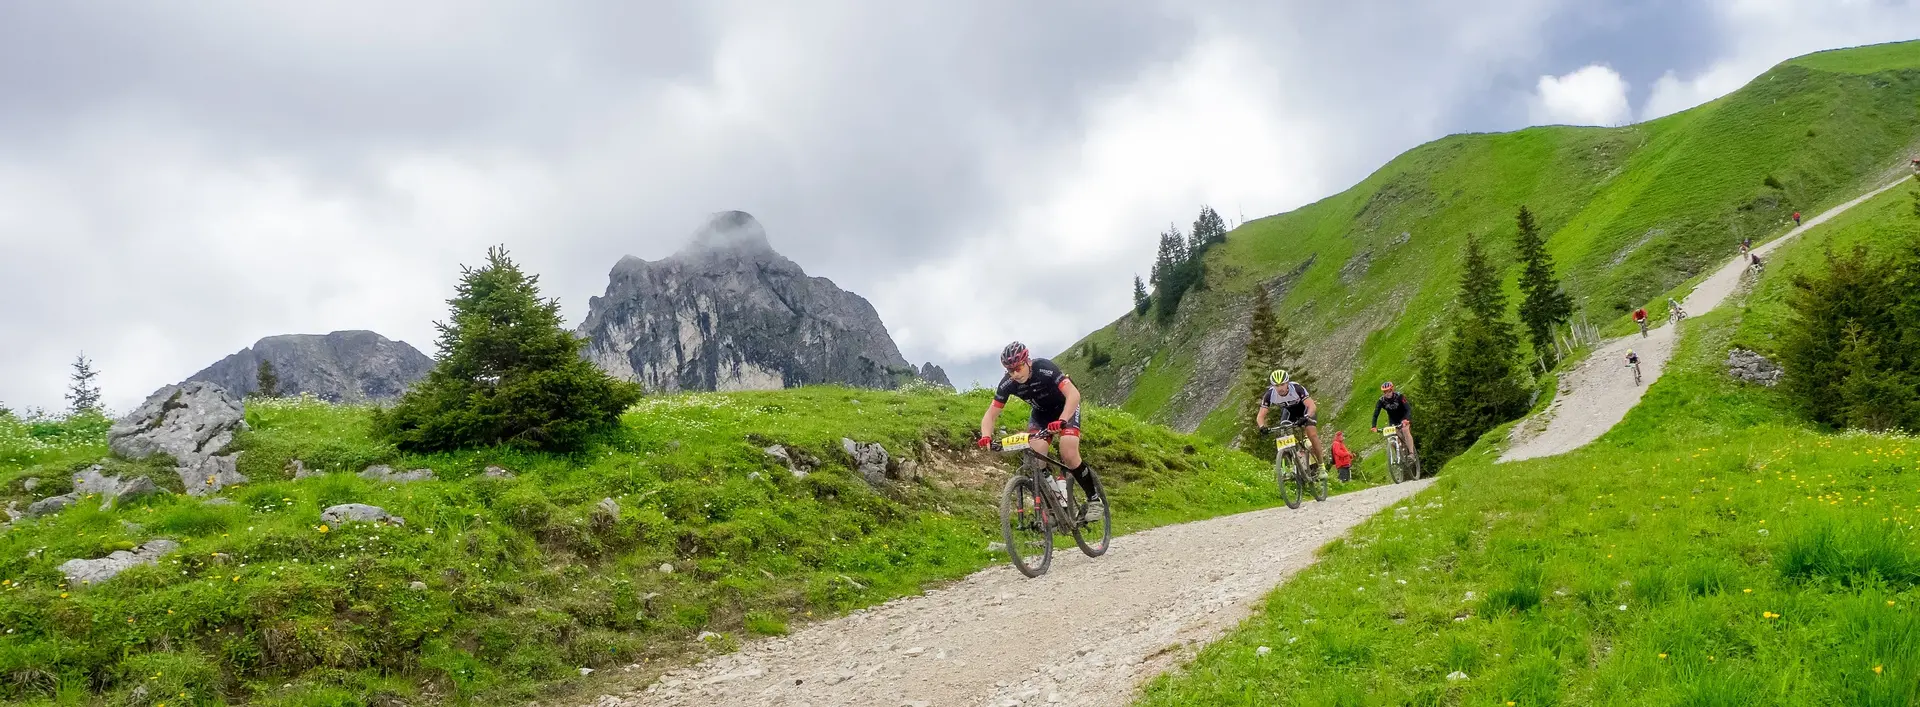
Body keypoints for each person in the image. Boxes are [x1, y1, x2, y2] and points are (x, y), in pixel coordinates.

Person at [978, 341, 1101, 521]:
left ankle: (1094, 500)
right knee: (1037, 457)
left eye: (1018, 367)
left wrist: (1063, 420)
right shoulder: (1008, 383)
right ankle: (1055, 506)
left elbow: (1073, 394)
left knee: (1068, 451)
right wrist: (986, 436)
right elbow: (990, 415)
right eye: (1010, 370)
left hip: (1065, 409)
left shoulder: (1044, 368)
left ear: (1027, 361)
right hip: (1041, 415)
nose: (1015, 374)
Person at [1255, 369, 1324, 472]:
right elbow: (1260, 415)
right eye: (1276, 386)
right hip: (1289, 413)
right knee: (1283, 433)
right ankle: (1295, 465)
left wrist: (1306, 417)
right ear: (1273, 386)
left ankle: (1321, 466)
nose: (1280, 388)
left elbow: (1311, 406)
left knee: (1311, 434)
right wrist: (1262, 427)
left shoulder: (1296, 388)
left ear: (1287, 383)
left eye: (1282, 384)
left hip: (1305, 410)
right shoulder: (1270, 395)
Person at [1371, 380, 1417, 464]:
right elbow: (1375, 414)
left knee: (1405, 431)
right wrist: (1373, 426)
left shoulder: (1399, 396)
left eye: (1389, 391)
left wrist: (1406, 419)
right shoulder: (1381, 401)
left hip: (1404, 417)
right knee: (1392, 438)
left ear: (1392, 390)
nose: (1387, 394)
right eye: (1385, 392)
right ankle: (1401, 456)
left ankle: (1411, 454)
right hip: (1393, 420)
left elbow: (1408, 408)